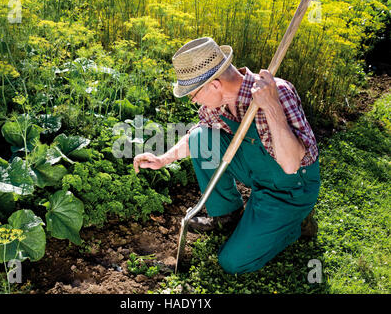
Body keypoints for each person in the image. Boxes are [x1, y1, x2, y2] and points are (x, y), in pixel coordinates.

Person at [133, 37, 320, 274]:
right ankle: (228, 215)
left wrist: (271, 107)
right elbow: (196, 139)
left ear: (215, 85)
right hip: (259, 172)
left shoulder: (277, 93)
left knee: (233, 263)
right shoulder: (218, 103)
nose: (193, 100)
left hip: (290, 187)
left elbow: (291, 164)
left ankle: (297, 223)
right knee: (201, 136)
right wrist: (163, 160)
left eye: (193, 93)